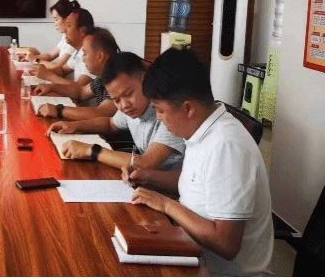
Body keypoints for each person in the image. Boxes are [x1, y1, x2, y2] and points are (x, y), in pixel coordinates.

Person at [128, 48, 273, 276]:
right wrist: (149, 178)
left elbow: (226, 244)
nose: (158, 118)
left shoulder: (226, 145)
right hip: (191, 255)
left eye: (160, 110)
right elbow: (200, 183)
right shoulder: (202, 130)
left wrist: (166, 205)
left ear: (188, 108)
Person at [46, 52, 185, 172]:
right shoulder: (133, 107)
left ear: (145, 80)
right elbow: (110, 123)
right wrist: (74, 126)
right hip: (145, 182)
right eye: (116, 100)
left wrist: (92, 151)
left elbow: (145, 163)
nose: (124, 105)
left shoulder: (169, 113)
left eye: (128, 94)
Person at [35, 26, 119, 120]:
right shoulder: (102, 78)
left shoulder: (117, 80)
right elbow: (81, 92)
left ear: (100, 56)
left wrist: (59, 110)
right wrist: (53, 87)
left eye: (85, 54)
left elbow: (101, 113)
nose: (83, 59)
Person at [33, 8, 95, 91]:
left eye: (69, 26)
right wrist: (41, 71)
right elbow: (62, 70)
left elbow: (79, 89)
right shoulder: (78, 50)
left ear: (82, 31)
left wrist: (48, 76)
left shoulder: (91, 54)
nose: (65, 30)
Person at [26, 0, 80, 68]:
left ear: (68, 19)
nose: (55, 23)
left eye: (56, 19)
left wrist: (35, 60)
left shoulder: (73, 40)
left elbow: (58, 67)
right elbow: (50, 55)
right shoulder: (65, 36)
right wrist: (31, 56)